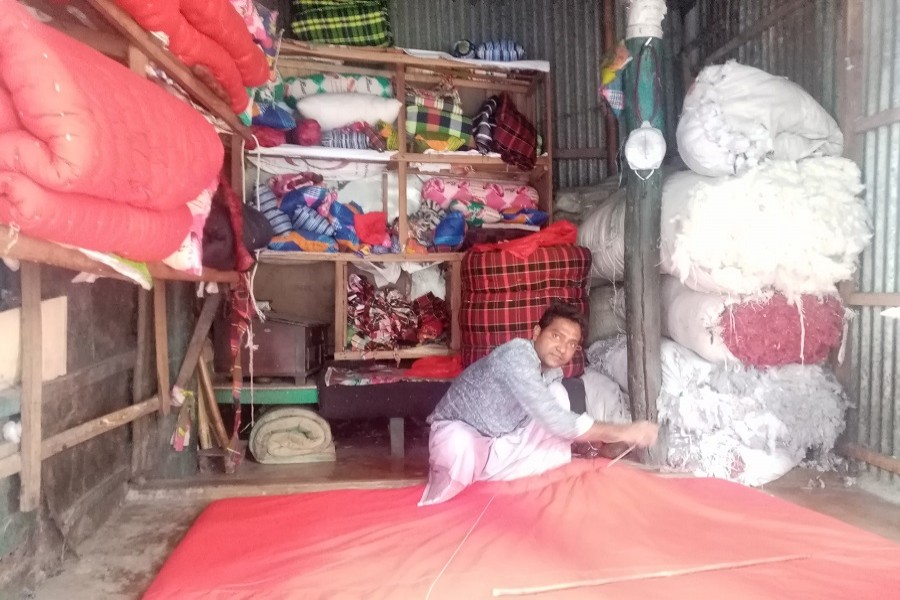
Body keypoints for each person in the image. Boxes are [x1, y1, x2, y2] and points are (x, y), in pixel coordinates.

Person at [419, 301, 658, 506]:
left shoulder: (550, 373)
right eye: (556, 336)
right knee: (461, 447)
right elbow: (552, 418)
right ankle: (463, 481)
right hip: (461, 435)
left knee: (558, 396)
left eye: (572, 343)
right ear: (536, 333)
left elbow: (552, 415)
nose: (563, 348)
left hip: (498, 446)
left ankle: (488, 482)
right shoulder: (517, 354)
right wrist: (623, 431)